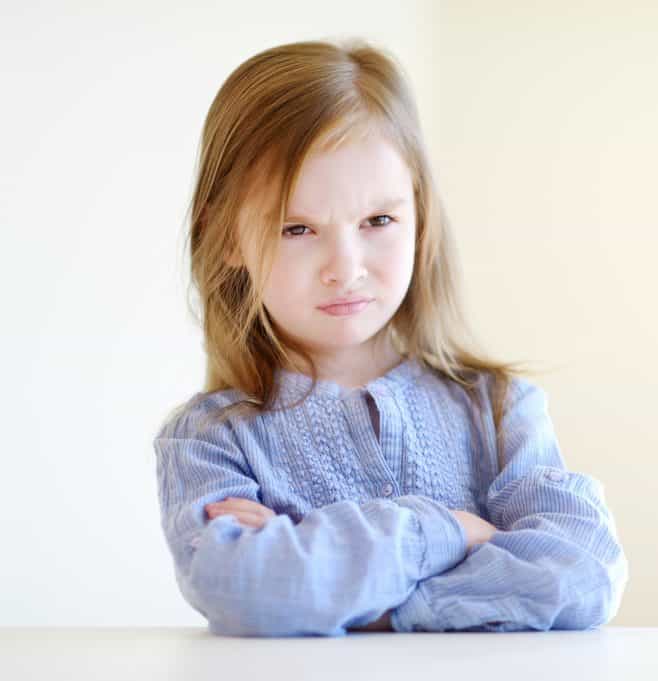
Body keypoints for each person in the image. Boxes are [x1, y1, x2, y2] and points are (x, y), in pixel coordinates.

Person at [153, 37, 628, 637]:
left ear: (419, 216)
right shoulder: (209, 441)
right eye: (297, 228)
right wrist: (456, 532)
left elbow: (582, 575)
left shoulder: (500, 409)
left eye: (377, 220)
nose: (345, 266)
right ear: (227, 239)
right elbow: (247, 590)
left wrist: (367, 603)